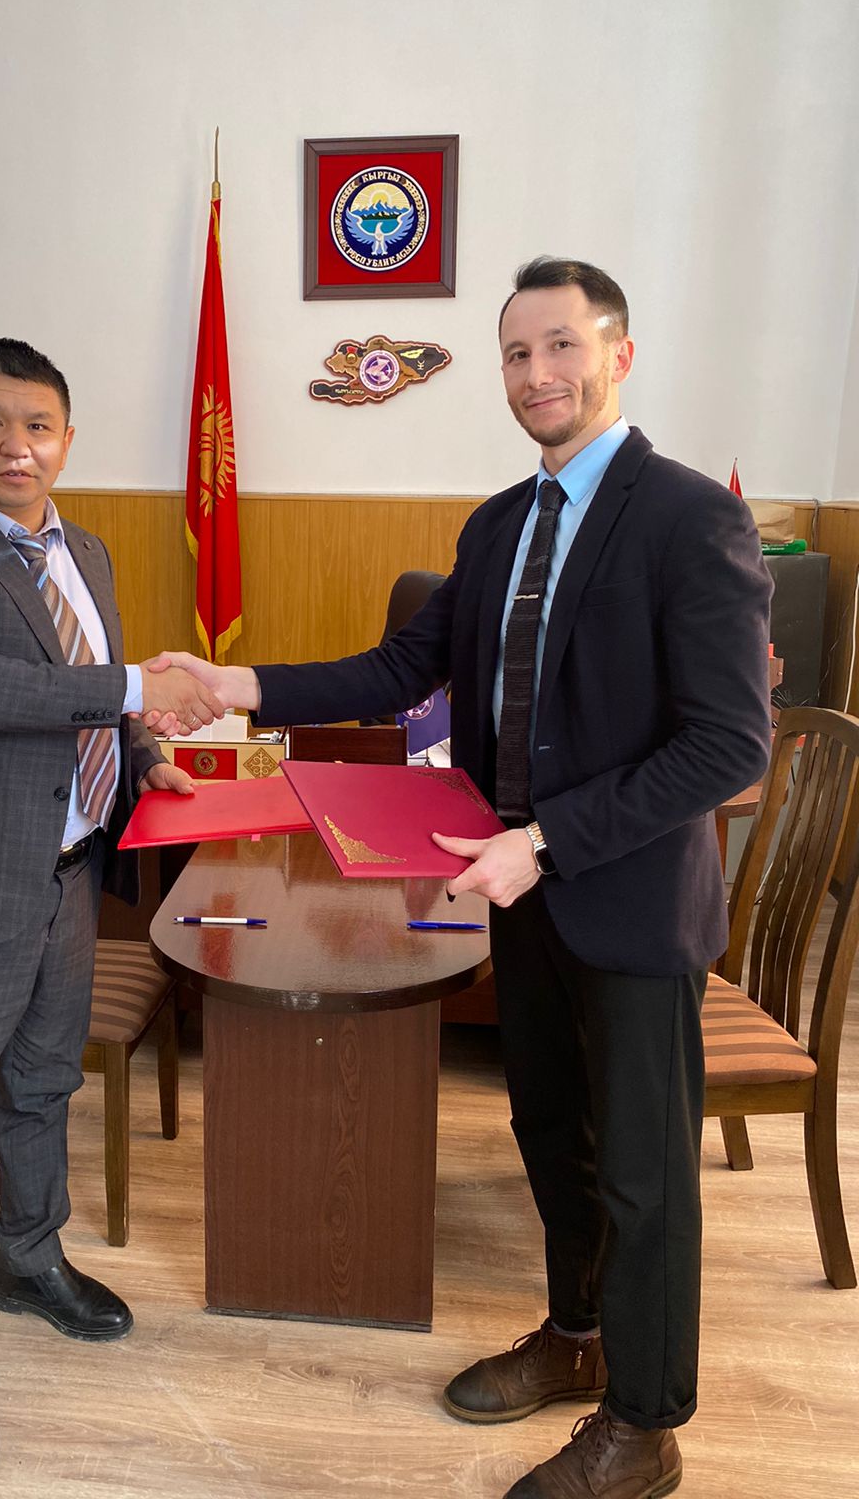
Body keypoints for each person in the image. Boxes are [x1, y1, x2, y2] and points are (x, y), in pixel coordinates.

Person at [155, 259, 773, 1499]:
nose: (537, 374)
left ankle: (646, 1428)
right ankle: (579, 1336)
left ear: (619, 355)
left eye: (562, 346)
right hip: (516, 892)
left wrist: (544, 842)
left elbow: (727, 745)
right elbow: (400, 670)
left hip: (626, 901)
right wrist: (241, 685)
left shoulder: (688, 516)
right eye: (516, 354)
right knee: (548, 1129)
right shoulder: (496, 526)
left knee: (644, 1176)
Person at [0, 337, 221, 1477]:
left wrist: (146, 748)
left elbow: (87, 693)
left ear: (67, 439)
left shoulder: (87, 550)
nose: (17, 447)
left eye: (39, 426)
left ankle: (29, 1256)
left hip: (67, 876)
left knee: (43, 1084)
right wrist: (139, 684)